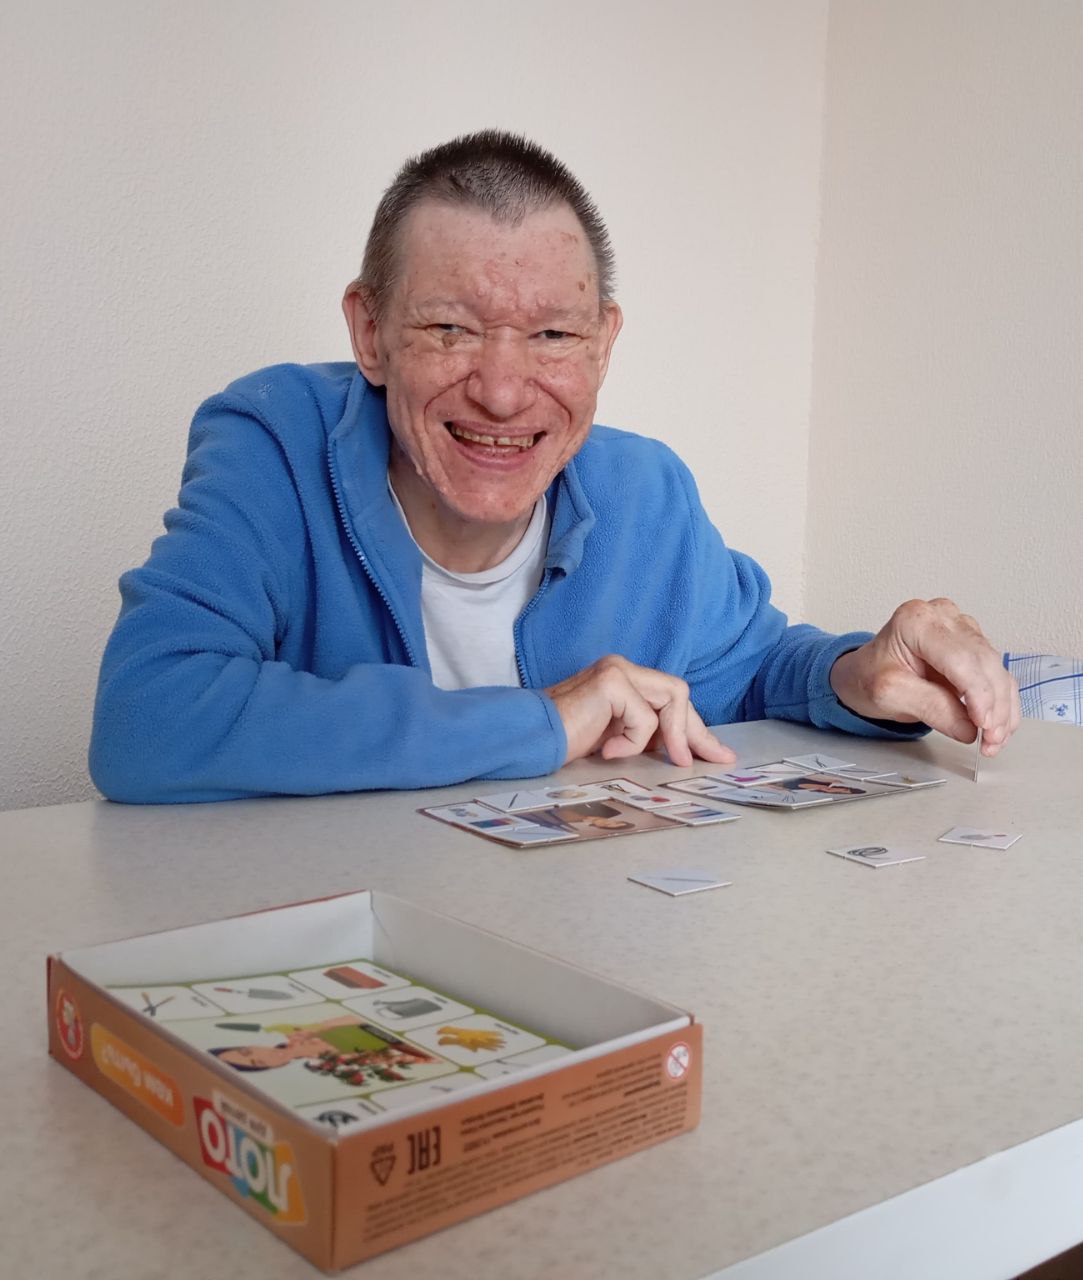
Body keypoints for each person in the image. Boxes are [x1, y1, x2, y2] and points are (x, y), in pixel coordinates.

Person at [89, 131, 1020, 803]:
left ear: (602, 344)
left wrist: (857, 674)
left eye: (552, 336)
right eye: (450, 327)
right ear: (369, 333)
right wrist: (544, 722)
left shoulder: (644, 492)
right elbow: (148, 718)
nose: (502, 392)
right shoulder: (273, 440)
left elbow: (751, 670)